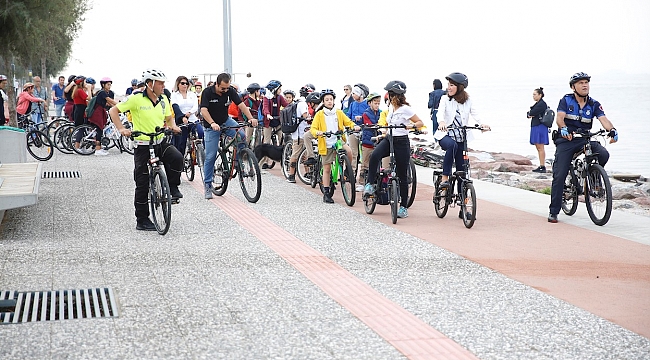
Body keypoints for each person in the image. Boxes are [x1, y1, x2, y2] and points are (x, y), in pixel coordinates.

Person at [108, 69, 183, 231]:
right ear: (150, 84)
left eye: (164, 83)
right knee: (142, 183)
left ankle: (172, 187)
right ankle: (142, 219)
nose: (163, 86)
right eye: (160, 83)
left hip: (159, 141)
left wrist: (173, 126)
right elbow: (113, 111)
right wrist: (121, 129)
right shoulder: (136, 99)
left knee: (177, 158)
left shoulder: (163, 99)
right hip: (142, 145)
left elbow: (168, 117)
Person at [547, 72, 618, 223]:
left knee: (603, 153)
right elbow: (559, 119)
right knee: (560, 175)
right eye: (580, 83)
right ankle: (554, 211)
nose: (585, 85)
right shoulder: (566, 100)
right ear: (573, 87)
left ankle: (595, 179)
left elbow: (603, 119)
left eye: (586, 82)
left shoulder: (593, 104)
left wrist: (612, 130)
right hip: (566, 140)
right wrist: (564, 128)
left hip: (584, 139)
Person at [363, 81, 424, 218]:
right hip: (389, 139)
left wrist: (410, 127)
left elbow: (420, 122)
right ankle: (370, 184)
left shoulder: (405, 109)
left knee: (402, 175)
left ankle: (403, 207)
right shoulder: (391, 109)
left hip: (402, 142)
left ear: (394, 96)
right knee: (375, 156)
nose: (389, 98)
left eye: (390, 95)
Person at [436, 73, 490, 220]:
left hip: (462, 138)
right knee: (452, 146)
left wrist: (482, 124)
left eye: (452, 85)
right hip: (446, 135)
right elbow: (439, 113)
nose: (448, 87)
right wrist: (441, 122)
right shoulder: (444, 99)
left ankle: (464, 208)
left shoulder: (467, 100)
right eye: (448, 85)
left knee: (463, 172)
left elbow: (476, 115)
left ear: (459, 87)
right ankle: (445, 177)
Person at [201, 72, 258, 199]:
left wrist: (250, 118)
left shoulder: (230, 91)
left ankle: (239, 160)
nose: (225, 90)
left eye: (227, 88)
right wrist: (212, 123)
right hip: (211, 125)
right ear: (217, 84)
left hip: (225, 121)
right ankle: (208, 184)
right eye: (223, 88)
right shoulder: (207, 92)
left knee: (241, 135)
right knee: (210, 155)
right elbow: (203, 110)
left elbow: (241, 105)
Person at [310, 89, 359, 203]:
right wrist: (317, 132)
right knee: (327, 168)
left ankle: (347, 172)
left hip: (337, 140)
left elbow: (348, 122)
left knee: (349, 152)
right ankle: (326, 193)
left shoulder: (339, 112)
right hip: (325, 142)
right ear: (323, 101)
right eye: (326, 100)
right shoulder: (320, 114)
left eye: (331, 99)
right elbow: (313, 128)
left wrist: (354, 126)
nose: (329, 101)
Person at [286, 88, 314, 183]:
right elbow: (305, 116)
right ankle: (291, 175)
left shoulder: (299, 102)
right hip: (299, 133)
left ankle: (307, 173)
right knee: (296, 153)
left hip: (300, 133)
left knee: (305, 154)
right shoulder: (303, 104)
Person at [260, 80, 289, 168]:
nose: (280, 91)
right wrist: (268, 114)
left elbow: (286, 105)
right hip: (268, 122)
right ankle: (263, 162)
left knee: (282, 139)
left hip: (278, 121)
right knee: (267, 142)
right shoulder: (266, 98)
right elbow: (265, 108)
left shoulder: (280, 97)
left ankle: (283, 158)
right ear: (274, 90)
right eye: (279, 89)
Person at [357, 92, 382, 191]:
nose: (377, 105)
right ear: (369, 103)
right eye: (375, 103)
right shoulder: (366, 114)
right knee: (365, 163)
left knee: (377, 162)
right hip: (367, 142)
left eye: (378, 103)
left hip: (377, 141)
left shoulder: (381, 112)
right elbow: (369, 124)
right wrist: (378, 125)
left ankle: (375, 181)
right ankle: (362, 183)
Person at [170, 75, 201, 155]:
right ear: (178, 84)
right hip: (181, 120)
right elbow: (175, 107)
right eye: (182, 83)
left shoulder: (192, 94)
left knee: (201, 133)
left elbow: (195, 106)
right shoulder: (174, 95)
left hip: (192, 118)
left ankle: (201, 153)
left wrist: (189, 113)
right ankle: (181, 161)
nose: (185, 85)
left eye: (186, 83)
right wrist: (183, 117)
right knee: (181, 143)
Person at [87, 77, 117, 156]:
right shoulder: (102, 93)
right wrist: (120, 104)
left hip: (101, 111)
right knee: (99, 130)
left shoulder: (105, 93)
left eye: (110, 85)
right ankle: (98, 149)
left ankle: (99, 147)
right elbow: (110, 101)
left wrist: (118, 108)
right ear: (103, 85)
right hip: (97, 112)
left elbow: (110, 104)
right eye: (108, 85)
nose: (109, 86)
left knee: (101, 129)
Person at [346, 83, 369, 176]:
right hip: (353, 130)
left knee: (365, 154)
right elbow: (347, 116)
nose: (353, 95)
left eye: (355, 93)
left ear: (361, 94)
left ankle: (363, 175)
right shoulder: (352, 104)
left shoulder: (367, 104)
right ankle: (351, 174)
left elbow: (370, 116)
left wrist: (362, 118)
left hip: (365, 131)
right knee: (353, 152)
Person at [527, 87, 549, 172]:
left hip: (539, 126)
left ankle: (542, 166)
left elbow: (531, 113)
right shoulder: (538, 104)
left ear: (540, 95)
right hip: (537, 126)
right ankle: (541, 165)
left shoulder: (541, 104)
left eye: (535, 94)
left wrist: (530, 114)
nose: (533, 96)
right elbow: (529, 114)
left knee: (540, 147)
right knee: (538, 146)